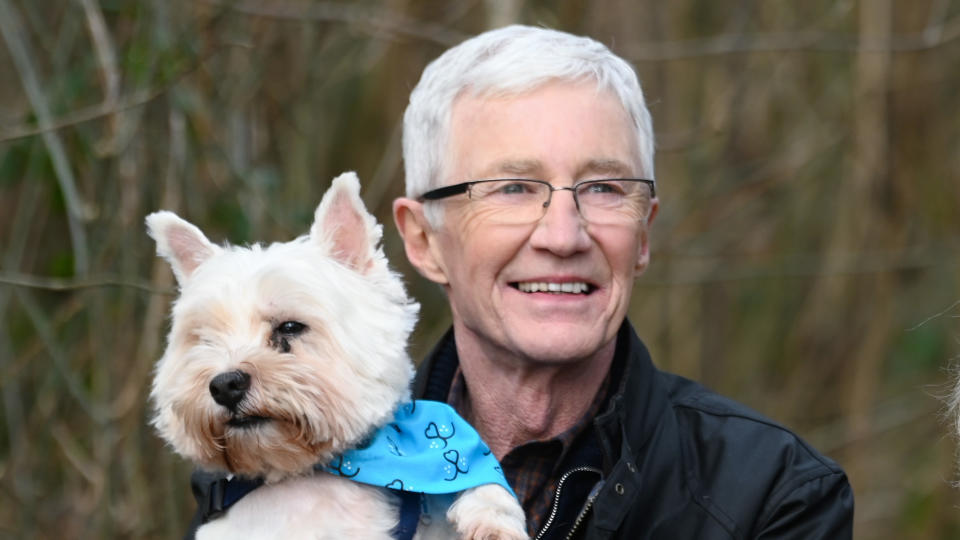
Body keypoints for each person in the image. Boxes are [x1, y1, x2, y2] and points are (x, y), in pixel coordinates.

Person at [390, 25, 854, 539]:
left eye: (605, 188)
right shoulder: (313, 468)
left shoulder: (776, 496)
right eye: (515, 187)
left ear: (644, 235)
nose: (564, 236)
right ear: (424, 240)